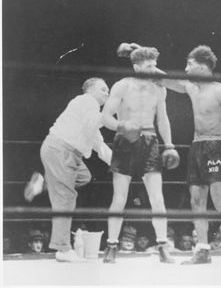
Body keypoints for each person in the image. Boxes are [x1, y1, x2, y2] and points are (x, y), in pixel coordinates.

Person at [161, 45, 221, 264]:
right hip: (196, 146)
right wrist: (145, 61)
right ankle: (202, 249)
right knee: (196, 200)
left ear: (202, 66)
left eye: (189, 64)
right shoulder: (192, 88)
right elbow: (166, 81)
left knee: (220, 201)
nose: (185, 69)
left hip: (216, 145)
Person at [101, 43, 180, 264]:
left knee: (157, 197)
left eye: (155, 65)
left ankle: (163, 246)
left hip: (150, 141)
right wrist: (122, 126)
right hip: (125, 141)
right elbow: (106, 116)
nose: (153, 69)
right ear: (136, 67)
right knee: (120, 197)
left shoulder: (159, 88)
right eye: (148, 65)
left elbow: (163, 119)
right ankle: (111, 246)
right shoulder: (122, 86)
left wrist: (170, 144)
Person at [24, 77, 111, 262]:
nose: (107, 93)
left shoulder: (89, 110)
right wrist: (113, 116)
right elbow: (94, 125)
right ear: (90, 89)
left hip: (66, 154)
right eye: (103, 89)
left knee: (84, 177)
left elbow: (98, 142)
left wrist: (119, 163)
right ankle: (62, 249)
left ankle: (44, 183)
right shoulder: (87, 102)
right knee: (66, 197)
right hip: (62, 150)